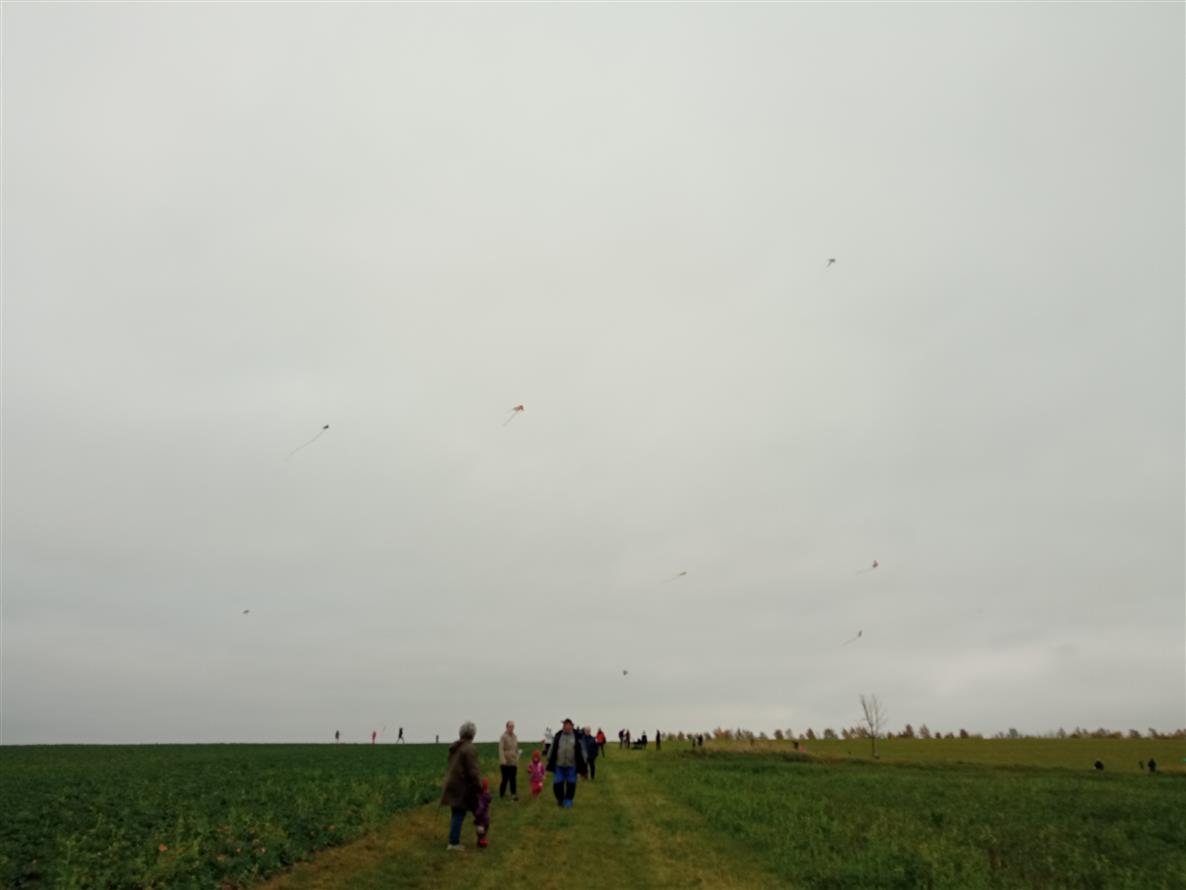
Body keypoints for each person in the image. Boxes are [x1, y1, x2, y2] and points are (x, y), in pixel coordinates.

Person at [441, 721, 482, 851]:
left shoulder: (456, 747)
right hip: (461, 785)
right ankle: (453, 843)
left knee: (456, 812)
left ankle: (453, 840)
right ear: (472, 734)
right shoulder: (469, 748)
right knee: (459, 812)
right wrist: (478, 786)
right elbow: (473, 771)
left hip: (452, 782)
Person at [546, 718, 586, 808]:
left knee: (571, 784)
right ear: (563, 726)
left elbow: (582, 749)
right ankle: (560, 799)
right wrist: (549, 757)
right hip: (559, 765)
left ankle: (568, 800)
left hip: (572, 765)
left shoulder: (576, 736)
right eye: (565, 725)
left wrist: (584, 759)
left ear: (572, 726)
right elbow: (552, 747)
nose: (567, 727)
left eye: (569, 725)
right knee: (557, 783)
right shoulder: (558, 735)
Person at [499, 720, 520, 800]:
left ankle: (513, 794)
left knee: (513, 779)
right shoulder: (503, 736)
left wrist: (517, 757)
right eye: (510, 726)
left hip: (513, 761)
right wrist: (503, 760)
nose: (511, 728)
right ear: (507, 727)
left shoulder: (515, 737)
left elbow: (516, 748)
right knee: (505, 779)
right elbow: (501, 749)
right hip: (505, 761)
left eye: (513, 726)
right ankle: (501, 794)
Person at [474, 777, 492, 848]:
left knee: (480, 831)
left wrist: (477, 813)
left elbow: (481, 807)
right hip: (486, 818)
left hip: (481, 818)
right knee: (484, 831)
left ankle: (482, 842)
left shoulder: (481, 797)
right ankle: (482, 841)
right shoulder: (487, 795)